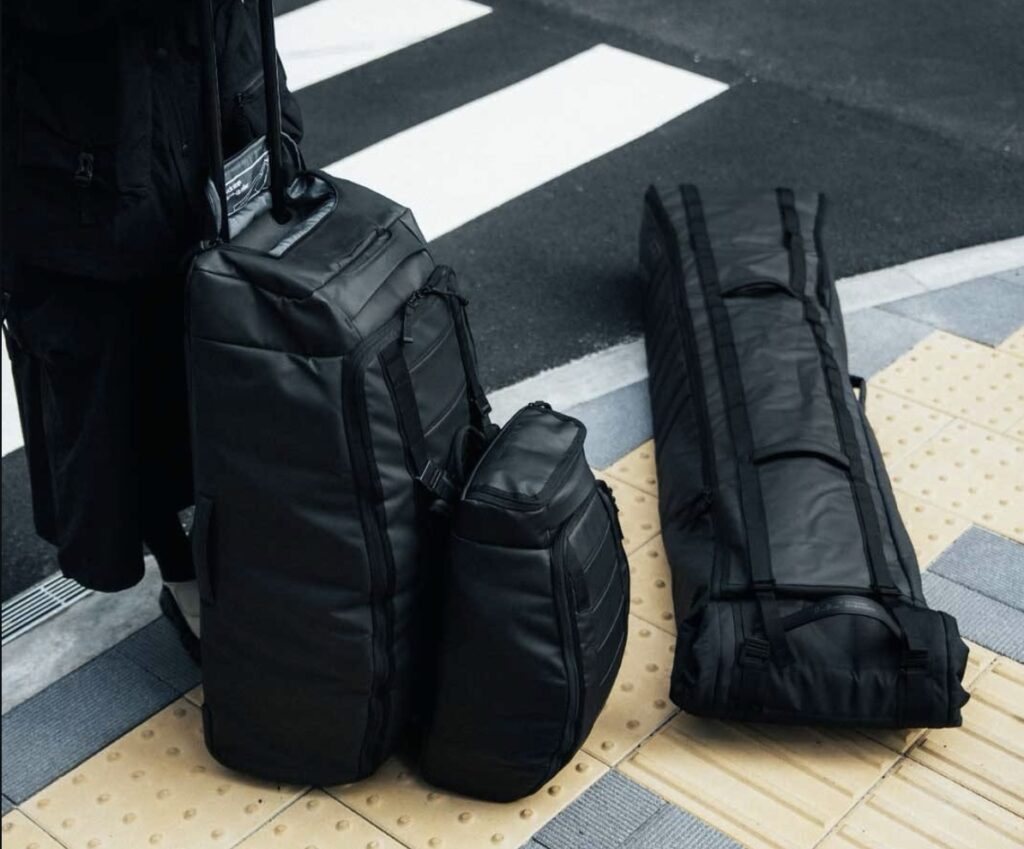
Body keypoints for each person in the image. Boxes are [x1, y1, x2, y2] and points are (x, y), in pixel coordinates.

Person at [1, 0, 303, 658]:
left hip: (219, 92)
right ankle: (183, 566)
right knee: (127, 381)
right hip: (86, 151)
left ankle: (244, 552)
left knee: (248, 338)